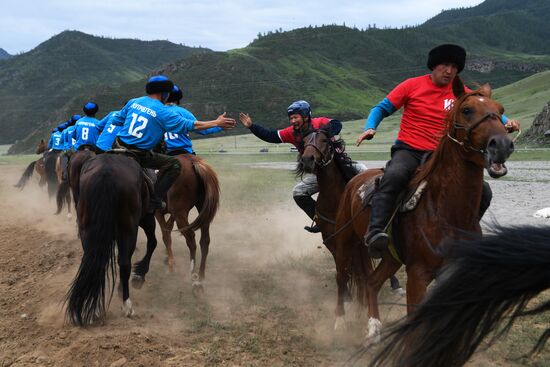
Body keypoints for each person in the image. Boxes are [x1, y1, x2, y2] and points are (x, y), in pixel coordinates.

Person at [356, 44, 520, 259]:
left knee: (484, 192)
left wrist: (507, 122)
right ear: (434, 66)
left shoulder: (463, 95)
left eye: (454, 67)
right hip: (410, 149)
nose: (449, 71)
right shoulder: (411, 86)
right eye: (445, 65)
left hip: (442, 155)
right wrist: (371, 126)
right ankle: (376, 231)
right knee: (395, 176)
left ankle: (464, 232)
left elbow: (485, 110)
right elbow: (381, 108)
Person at [111, 75, 236, 210]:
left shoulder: (133, 102)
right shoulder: (165, 113)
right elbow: (194, 126)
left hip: (118, 146)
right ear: (164, 93)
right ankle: (155, 199)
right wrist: (217, 123)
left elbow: (117, 120)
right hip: (140, 153)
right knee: (174, 165)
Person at [239, 100, 347, 233]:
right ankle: (321, 220)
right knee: (298, 192)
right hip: (319, 174)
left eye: (296, 117)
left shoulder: (319, 122)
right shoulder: (291, 132)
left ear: (306, 116)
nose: (292, 121)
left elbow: (337, 124)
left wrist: (324, 133)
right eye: (291, 118)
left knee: (365, 174)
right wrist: (251, 126)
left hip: (341, 167)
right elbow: (271, 136)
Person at [163, 85, 223, 155]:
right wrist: (220, 125)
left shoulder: (156, 112)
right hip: (185, 151)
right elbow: (203, 131)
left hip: (164, 153)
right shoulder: (184, 112)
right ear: (178, 97)